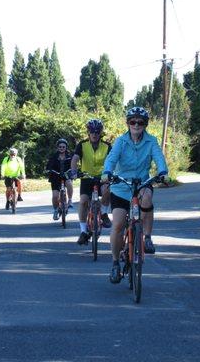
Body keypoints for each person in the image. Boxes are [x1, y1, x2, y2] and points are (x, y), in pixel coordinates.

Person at [102, 107, 168, 284]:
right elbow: (111, 158)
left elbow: (159, 157)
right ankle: (115, 263)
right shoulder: (121, 141)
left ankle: (147, 238)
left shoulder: (151, 141)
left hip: (142, 184)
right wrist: (107, 171)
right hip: (121, 186)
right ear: (128, 124)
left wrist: (163, 171)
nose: (136, 125)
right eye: (133, 121)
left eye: (140, 122)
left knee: (147, 198)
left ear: (145, 124)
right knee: (117, 225)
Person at [71, 118, 112, 245]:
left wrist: (112, 172)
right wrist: (74, 172)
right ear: (88, 132)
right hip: (86, 178)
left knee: (108, 190)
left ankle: (104, 213)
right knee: (83, 202)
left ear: (101, 133)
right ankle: (83, 231)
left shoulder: (107, 146)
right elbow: (75, 159)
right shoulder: (82, 145)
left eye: (97, 131)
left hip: (102, 177)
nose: (94, 134)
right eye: (92, 131)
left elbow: (113, 160)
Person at [46, 138, 74, 220]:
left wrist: (73, 171)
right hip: (55, 177)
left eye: (63, 147)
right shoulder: (53, 156)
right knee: (55, 196)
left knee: (69, 182)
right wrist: (49, 169)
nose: (62, 148)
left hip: (66, 176)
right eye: (60, 147)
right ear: (57, 147)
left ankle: (70, 200)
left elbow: (73, 166)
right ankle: (55, 210)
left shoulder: (70, 156)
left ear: (66, 147)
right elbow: (49, 165)